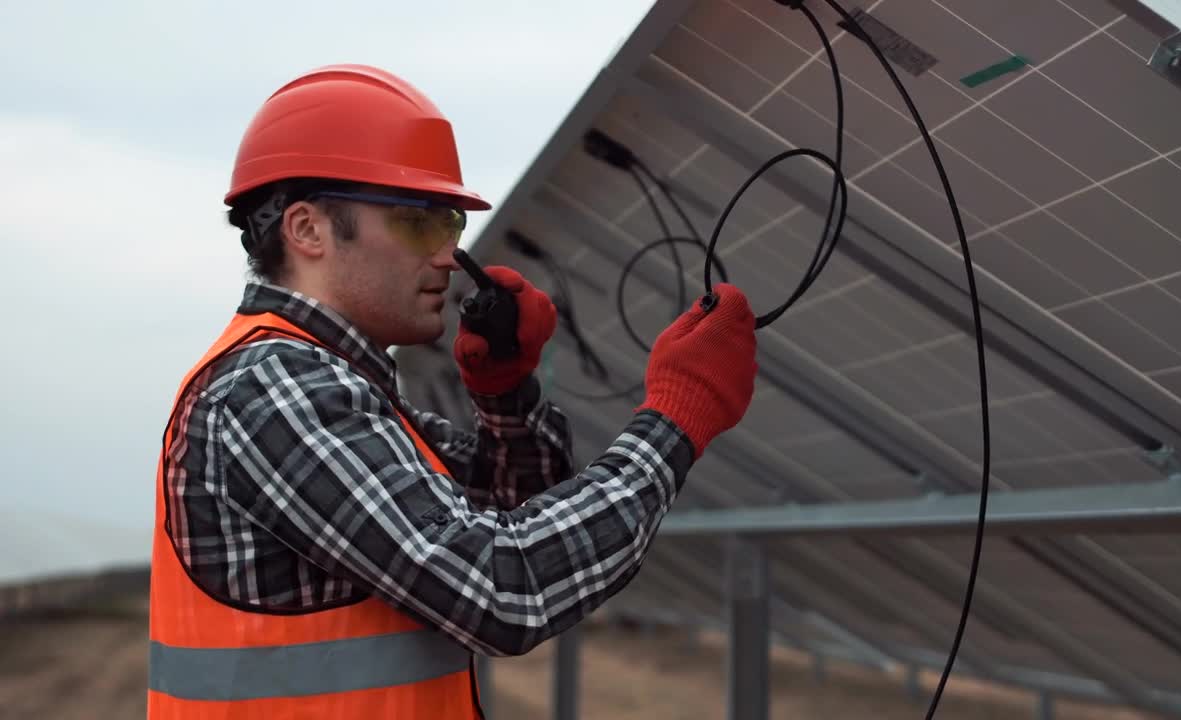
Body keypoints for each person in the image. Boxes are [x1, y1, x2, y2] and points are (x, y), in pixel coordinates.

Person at [147, 64, 760, 719]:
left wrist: (505, 396)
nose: (446, 254)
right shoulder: (274, 388)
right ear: (308, 231)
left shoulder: (348, 391)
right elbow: (503, 587)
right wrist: (674, 418)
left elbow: (521, 518)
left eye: (451, 227)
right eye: (421, 223)